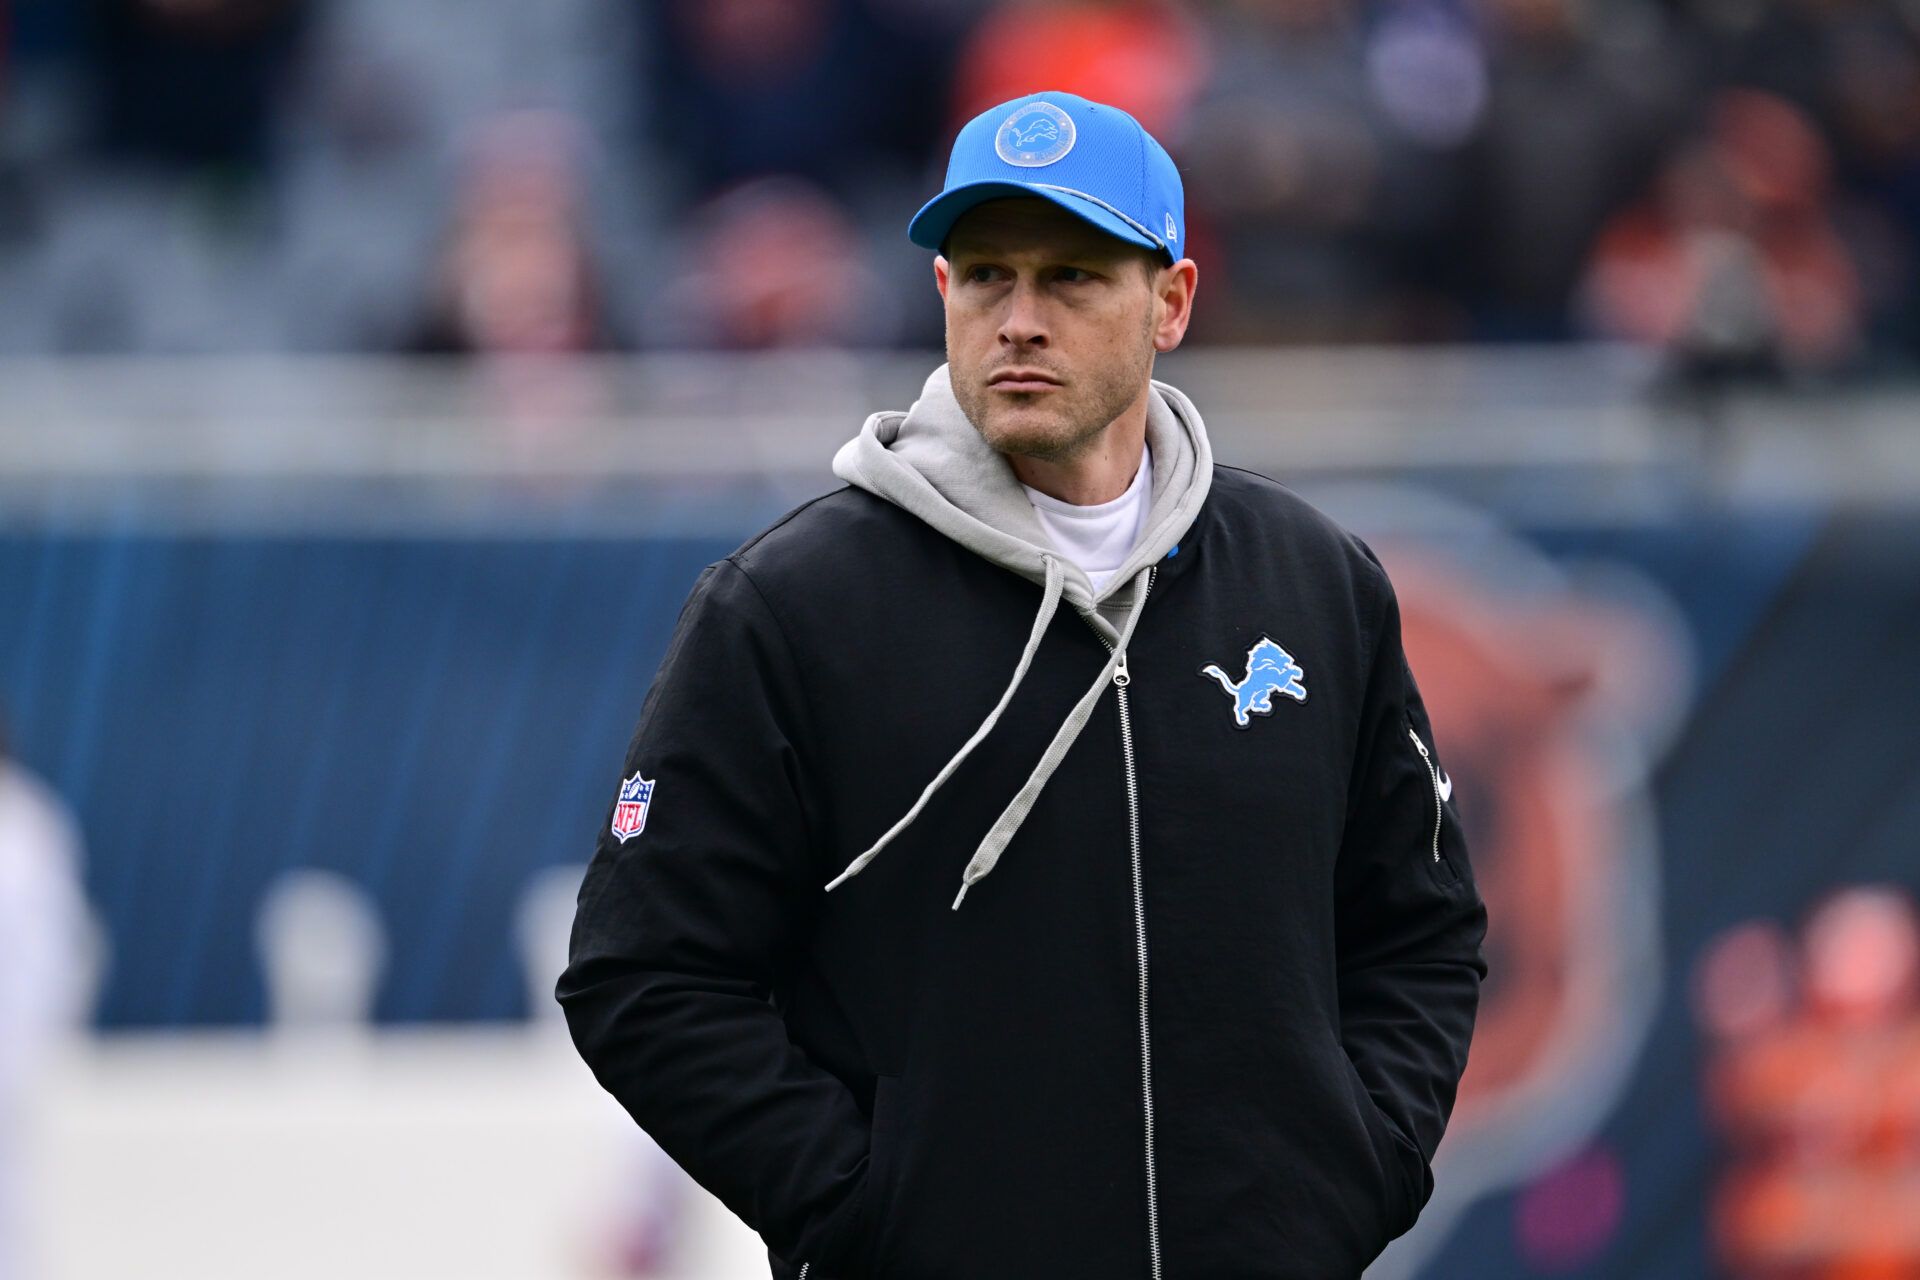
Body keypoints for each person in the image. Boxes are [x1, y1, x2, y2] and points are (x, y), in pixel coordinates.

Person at [559, 91, 1488, 1280]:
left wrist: (1355, 1171)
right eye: (987, 276)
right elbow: (642, 971)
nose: (1021, 320)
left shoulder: (1314, 585)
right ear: (942, 294)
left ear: (1173, 302)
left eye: (1072, 279)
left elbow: (1422, 927)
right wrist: (863, 1207)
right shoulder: (792, 607)